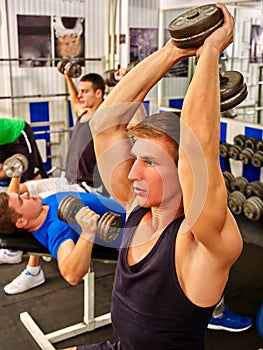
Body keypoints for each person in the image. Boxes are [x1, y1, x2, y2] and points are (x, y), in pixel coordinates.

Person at [65, 3, 246, 349]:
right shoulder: (137, 208)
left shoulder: (203, 241)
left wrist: (209, 51)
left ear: (183, 170)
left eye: (149, 162)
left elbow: (200, 145)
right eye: (136, 158)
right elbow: (105, 125)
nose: (132, 172)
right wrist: (174, 49)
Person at [3, 73, 106, 295]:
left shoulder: (103, 116)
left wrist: (120, 80)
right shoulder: (83, 113)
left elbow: (123, 100)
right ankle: (14, 235)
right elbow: (73, 99)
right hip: (66, 179)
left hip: (83, 185)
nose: (79, 94)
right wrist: (68, 75)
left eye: (85, 90)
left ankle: (33, 270)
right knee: (21, 189)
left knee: (37, 210)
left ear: (99, 93)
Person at [0, 176, 125, 292]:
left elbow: (9, 207)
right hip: (136, 231)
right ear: (21, 222)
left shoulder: (40, 206)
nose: (26, 195)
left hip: (127, 205)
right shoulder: (56, 229)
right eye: (21, 200)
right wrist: (87, 232)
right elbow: (71, 276)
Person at [0, 117, 48, 292]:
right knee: (15, 203)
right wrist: (13, 172)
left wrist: (13, 171)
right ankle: (12, 252)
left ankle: (34, 270)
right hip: (5, 143)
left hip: (19, 135)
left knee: (34, 182)